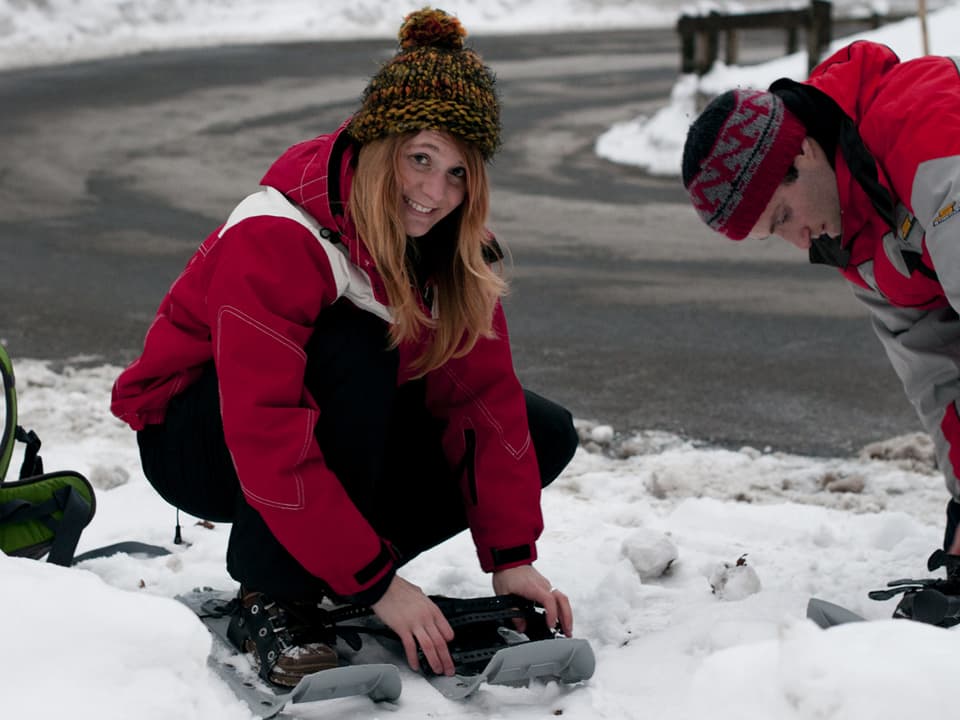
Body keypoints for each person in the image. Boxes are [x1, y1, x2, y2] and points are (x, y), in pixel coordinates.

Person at [111, 7, 578, 687]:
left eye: (457, 173)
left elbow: (484, 403)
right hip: (199, 439)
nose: (433, 193)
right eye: (420, 159)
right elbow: (265, 428)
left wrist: (512, 557)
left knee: (544, 432)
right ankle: (276, 590)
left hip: (326, 422)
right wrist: (379, 586)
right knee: (360, 346)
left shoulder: (453, 248)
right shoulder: (279, 234)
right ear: (380, 143)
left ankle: (330, 562)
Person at [682, 40, 960, 554]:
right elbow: (937, 372)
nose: (801, 240)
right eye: (775, 233)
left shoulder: (921, 117)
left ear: (802, 151)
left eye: (784, 216)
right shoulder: (855, 241)